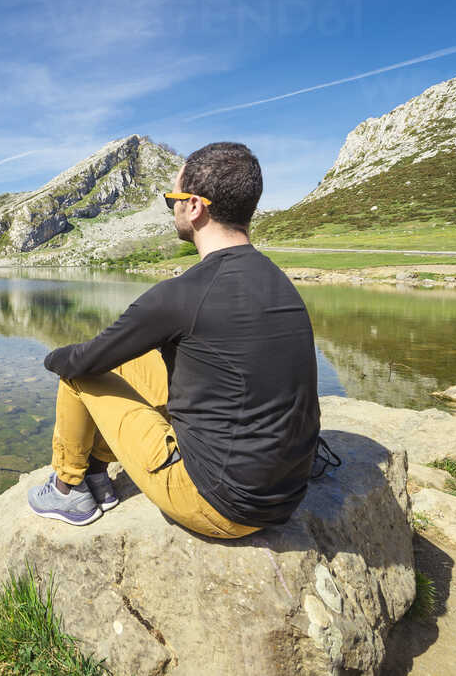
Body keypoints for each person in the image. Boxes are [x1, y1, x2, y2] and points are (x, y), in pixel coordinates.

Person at [27, 142, 321, 538]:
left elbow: (83, 361)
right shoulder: (278, 281)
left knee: (77, 375)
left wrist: (54, 359)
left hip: (217, 504)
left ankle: (67, 490)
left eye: (173, 200)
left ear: (196, 206)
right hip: (285, 494)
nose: (173, 209)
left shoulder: (184, 293)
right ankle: (97, 474)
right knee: (128, 362)